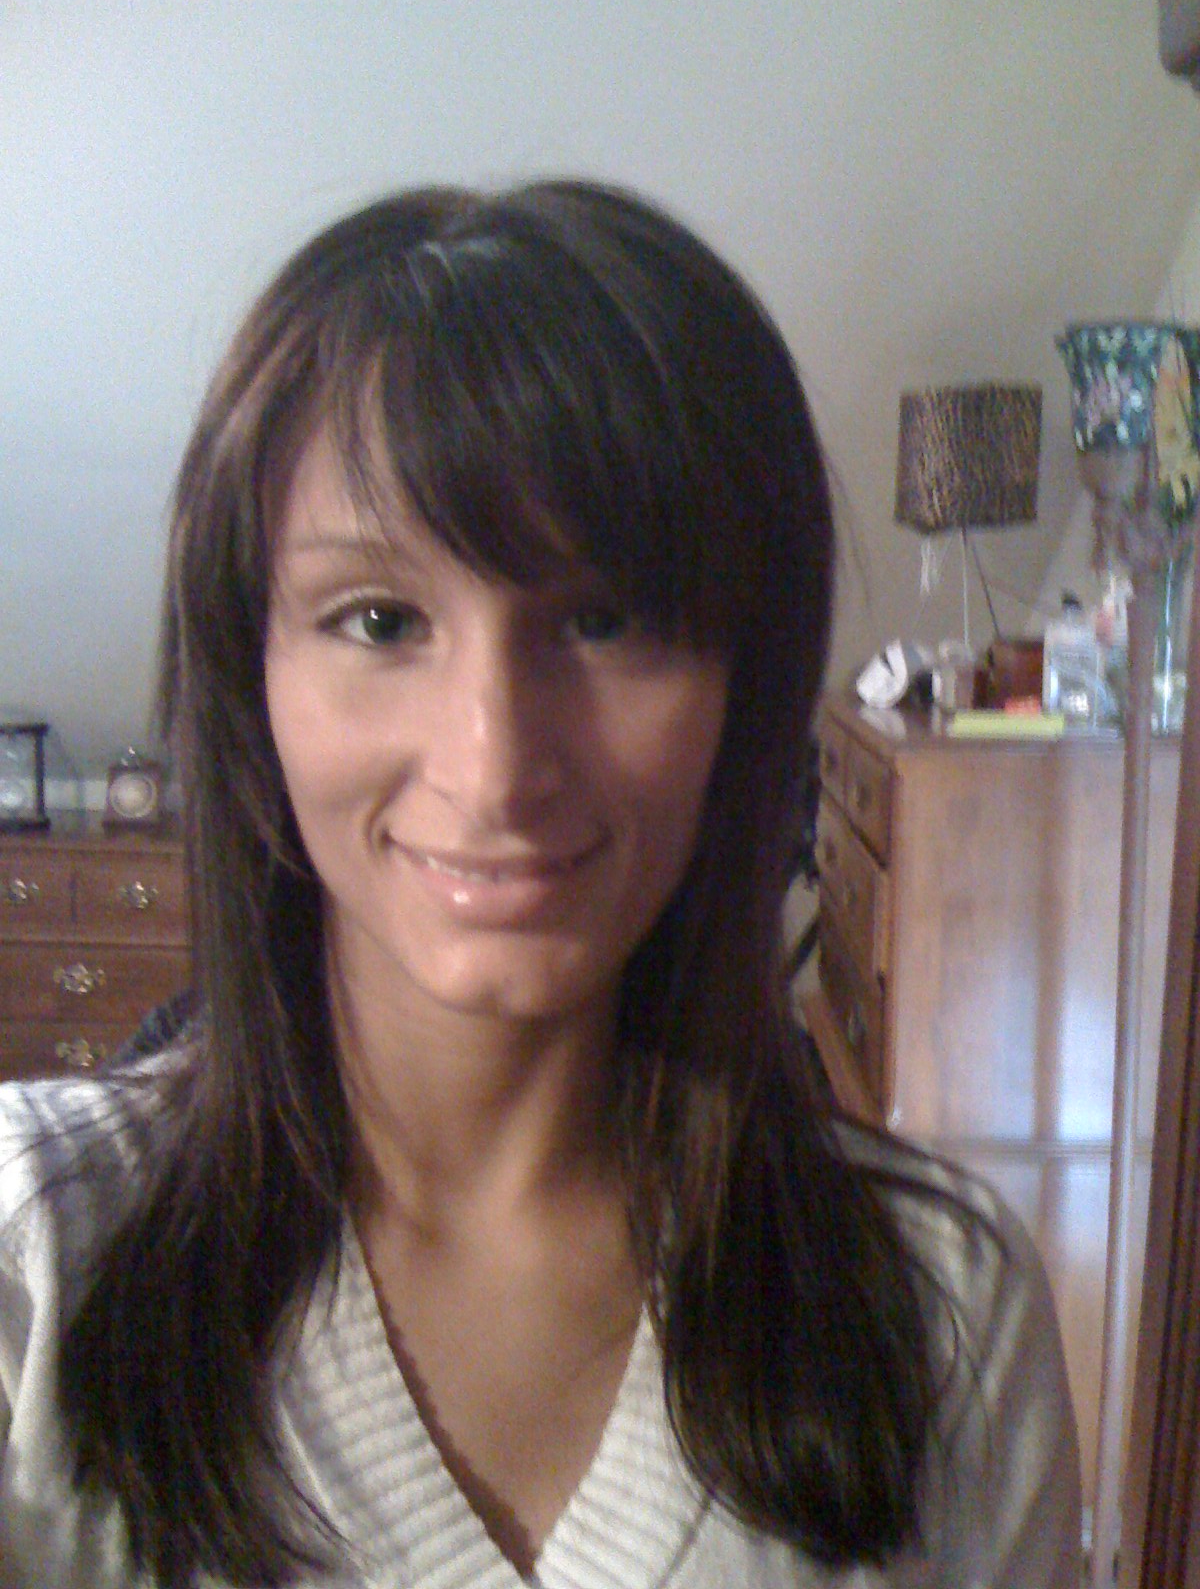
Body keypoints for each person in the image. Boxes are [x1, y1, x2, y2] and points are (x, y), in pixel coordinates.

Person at [0, 180, 1081, 1588]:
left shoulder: (942, 1310)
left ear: (743, 694)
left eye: (607, 621)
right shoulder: (33, 1261)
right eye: (379, 620)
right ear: (250, 677)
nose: (495, 766)